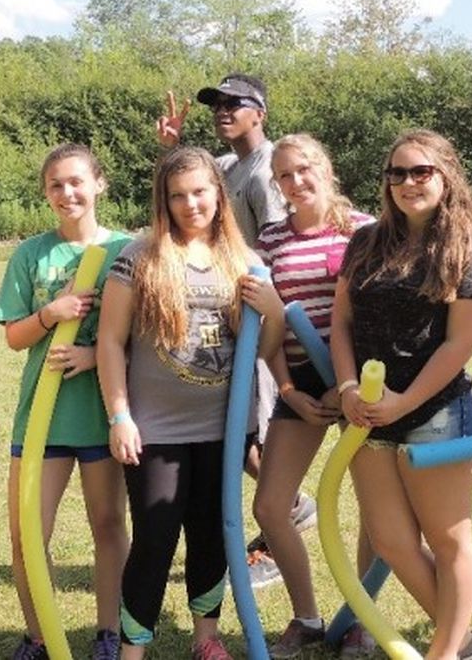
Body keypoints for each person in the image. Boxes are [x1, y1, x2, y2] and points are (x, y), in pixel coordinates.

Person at [97, 145, 286, 660]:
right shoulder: (138, 257)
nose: (190, 204)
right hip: (155, 429)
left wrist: (274, 311)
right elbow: (110, 341)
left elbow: (264, 350)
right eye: (177, 195)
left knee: (212, 535)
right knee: (154, 540)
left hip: (225, 429)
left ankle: (207, 639)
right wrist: (120, 415)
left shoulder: (245, 261)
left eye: (200, 192)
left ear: (218, 194)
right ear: (164, 200)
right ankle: (133, 650)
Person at [331, 129, 472, 660]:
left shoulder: (465, 249)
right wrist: (348, 388)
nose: (408, 182)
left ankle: (444, 652)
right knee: (392, 541)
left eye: (421, 171)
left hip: (435, 411)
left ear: (446, 176)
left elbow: (460, 344)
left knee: (448, 540)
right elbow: (341, 323)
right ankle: (463, 643)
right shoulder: (365, 242)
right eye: (397, 173)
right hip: (367, 413)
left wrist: (404, 401)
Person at [156, 74, 311, 588]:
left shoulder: (266, 172)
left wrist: (267, 314)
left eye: (235, 103)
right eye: (217, 104)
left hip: (254, 320)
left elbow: (274, 249)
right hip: (225, 319)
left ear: (259, 112)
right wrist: (171, 151)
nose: (222, 111)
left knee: (253, 431)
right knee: (236, 431)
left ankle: (282, 521)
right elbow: (185, 194)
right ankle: (291, 506)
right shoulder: (226, 167)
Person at [0, 144, 131, 660]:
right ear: (45, 192)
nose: (67, 193)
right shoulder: (31, 254)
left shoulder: (128, 250)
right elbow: (13, 337)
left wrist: (96, 355)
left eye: (76, 181)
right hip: (42, 420)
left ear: (99, 184)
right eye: (56, 184)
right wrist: (51, 312)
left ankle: (108, 632)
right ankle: (37, 636)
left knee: (108, 524)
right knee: (27, 533)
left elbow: (149, 337)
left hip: (101, 415)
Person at [252, 134, 378, 659]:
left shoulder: (365, 230)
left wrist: (345, 383)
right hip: (300, 384)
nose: (295, 181)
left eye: (304, 169)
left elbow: (376, 315)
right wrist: (288, 389)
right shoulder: (270, 240)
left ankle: (361, 621)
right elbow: (268, 325)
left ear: (325, 168)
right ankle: (306, 618)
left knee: (377, 510)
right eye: (284, 175)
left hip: (357, 385)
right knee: (270, 506)